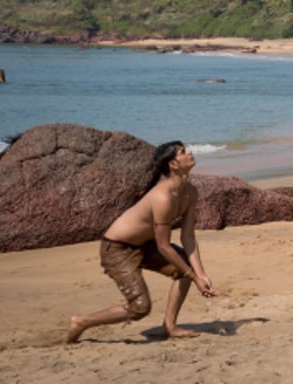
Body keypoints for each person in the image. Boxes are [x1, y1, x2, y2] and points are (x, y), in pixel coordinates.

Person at [66, 141, 217, 343]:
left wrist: (200, 274)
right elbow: (164, 246)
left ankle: (169, 326)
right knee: (140, 307)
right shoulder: (163, 197)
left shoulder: (190, 192)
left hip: (147, 244)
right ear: (173, 164)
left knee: (186, 268)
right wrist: (194, 276)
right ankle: (82, 322)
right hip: (118, 248)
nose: (189, 152)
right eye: (182, 152)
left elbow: (188, 237)